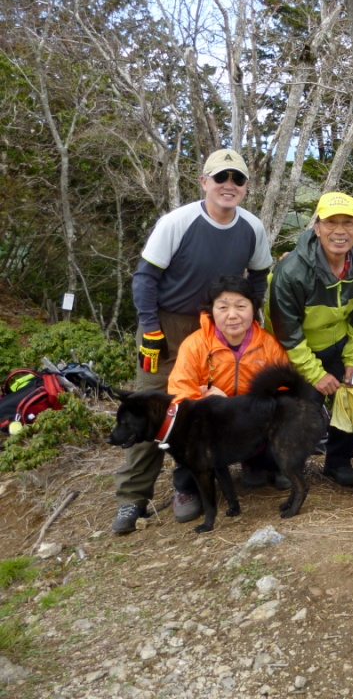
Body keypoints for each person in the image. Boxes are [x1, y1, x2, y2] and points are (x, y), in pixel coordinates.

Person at [113, 148, 273, 534]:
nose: (228, 186)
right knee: (151, 405)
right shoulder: (179, 222)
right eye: (220, 178)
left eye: (237, 179)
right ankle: (133, 497)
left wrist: (249, 315)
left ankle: (203, 477)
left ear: (246, 187)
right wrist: (150, 327)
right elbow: (145, 277)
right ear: (204, 182)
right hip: (167, 324)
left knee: (215, 402)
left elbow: (259, 276)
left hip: (220, 323)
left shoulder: (252, 227)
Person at [266, 192, 353, 488]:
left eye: (348, 223)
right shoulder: (291, 273)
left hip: (337, 344)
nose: (340, 231)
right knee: (302, 405)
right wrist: (316, 374)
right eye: (331, 223)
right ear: (316, 227)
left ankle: (338, 463)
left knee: (349, 394)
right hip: (296, 350)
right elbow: (287, 334)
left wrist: (352, 362)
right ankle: (287, 466)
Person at [167, 275, 292, 507]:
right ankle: (187, 488)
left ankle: (261, 465)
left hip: (250, 422)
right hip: (209, 426)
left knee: (282, 427)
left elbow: (283, 393)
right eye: (223, 307)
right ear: (211, 311)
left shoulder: (268, 345)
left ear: (253, 309)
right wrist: (207, 404)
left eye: (241, 306)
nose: (232, 315)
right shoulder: (195, 346)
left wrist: (237, 406)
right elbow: (179, 395)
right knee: (183, 431)